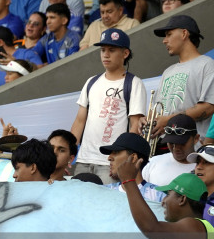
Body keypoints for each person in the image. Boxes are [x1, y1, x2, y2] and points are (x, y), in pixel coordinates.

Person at [71, 29, 146, 179]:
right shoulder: (91, 81)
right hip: (83, 159)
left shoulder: (134, 83)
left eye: (112, 50)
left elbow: (135, 127)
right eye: (103, 50)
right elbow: (79, 121)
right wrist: (69, 154)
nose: (105, 54)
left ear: (125, 54)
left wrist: (122, 161)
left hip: (110, 163)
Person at [152, 15, 214, 140]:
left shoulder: (207, 64)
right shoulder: (167, 71)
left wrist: (169, 120)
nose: (164, 40)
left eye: (169, 34)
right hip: (163, 145)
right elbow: (157, 111)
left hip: (192, 147)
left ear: (184, 33)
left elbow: (208, 107)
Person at [101, 133, 164, 201]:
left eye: (116, 152)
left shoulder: (159, 196)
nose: (109, 158)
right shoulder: (103, 191)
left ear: (133, 158)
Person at [142, 114, 198, 186]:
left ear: (196, 138)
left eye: (181, 143)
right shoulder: (154, 162)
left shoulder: (203, 170)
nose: (176, 148)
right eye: (171, 143)